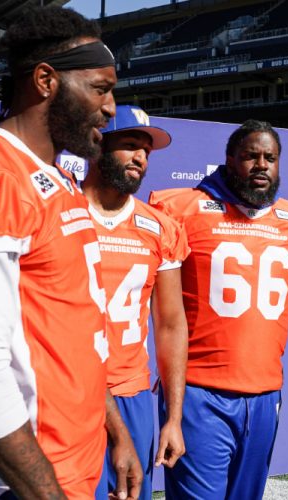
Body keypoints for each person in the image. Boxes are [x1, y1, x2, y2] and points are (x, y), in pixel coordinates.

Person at [0, 7, 141, 499]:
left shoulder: (60, 180)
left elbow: (75, 335)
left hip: (79, 460)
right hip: (19, 481)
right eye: (101, 89)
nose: (110, 108)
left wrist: (116, 431)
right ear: (46, 81)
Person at [148, 119, 288, 499]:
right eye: (251, 156)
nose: (261, 164)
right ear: (230, 161)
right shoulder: (182, 210)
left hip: (265, 396)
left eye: (270, 157)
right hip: (200, 393)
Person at [81, 104, 188, 500]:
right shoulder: (61, 213)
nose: (141, 157)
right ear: (96, 146)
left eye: (146, 150)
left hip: (132, 394)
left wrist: (173, 417)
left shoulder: (160, 228)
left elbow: (171, 323)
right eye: (129, 145)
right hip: (68, 391)